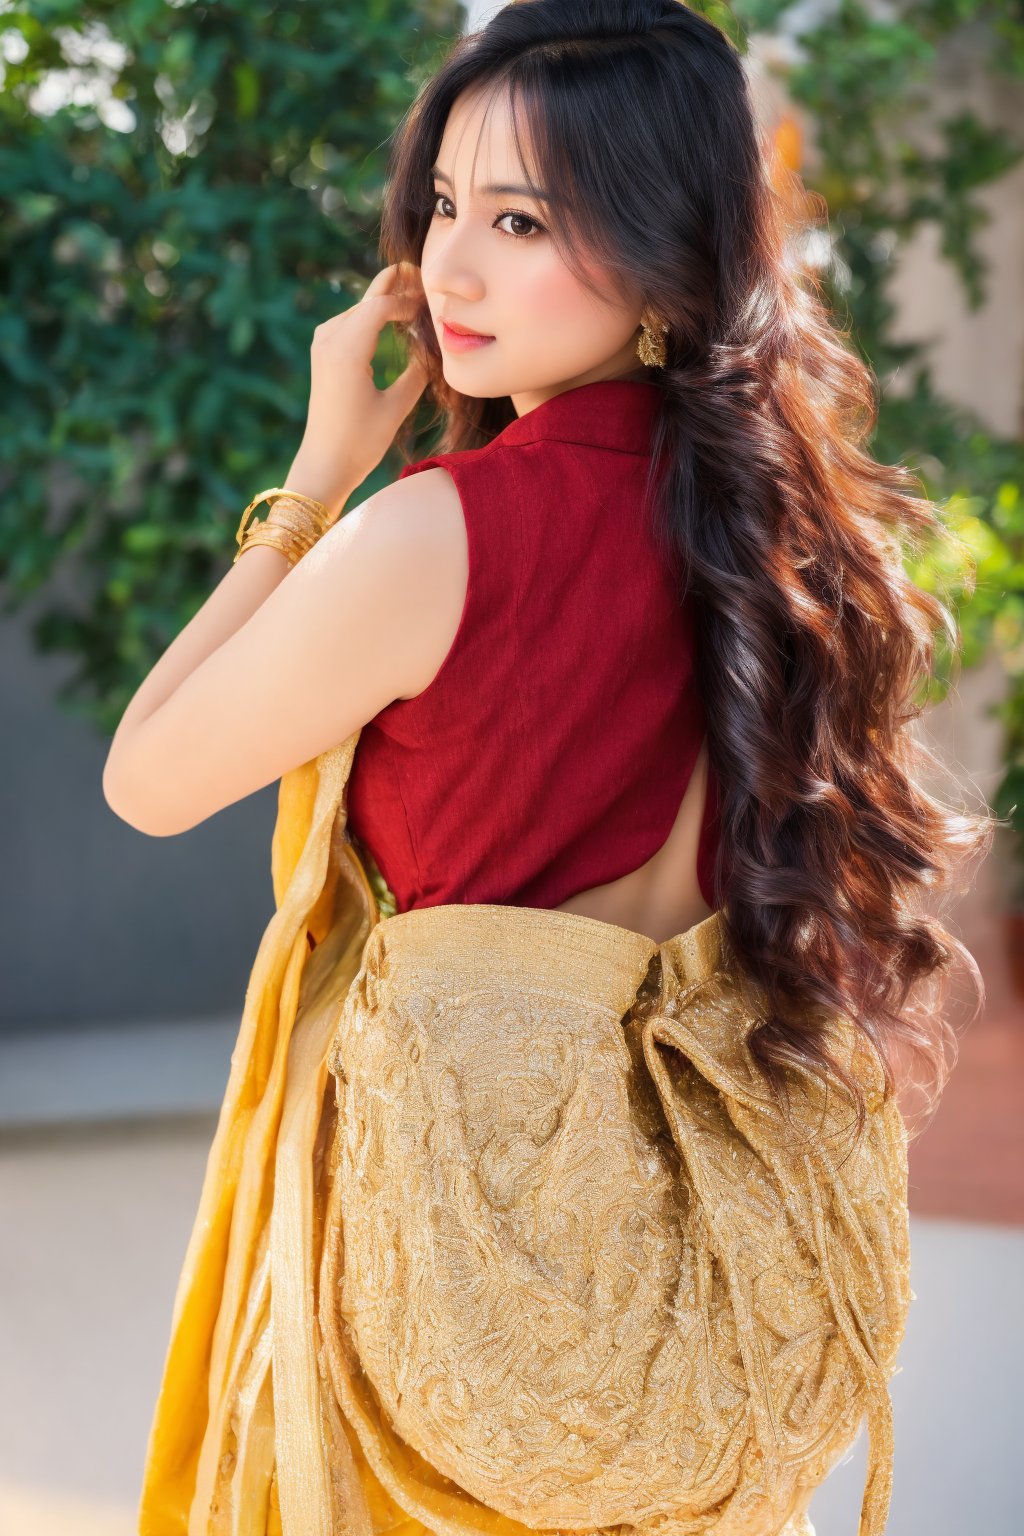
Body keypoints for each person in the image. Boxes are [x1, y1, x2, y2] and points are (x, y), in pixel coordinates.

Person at [103, 3, 992, 1534]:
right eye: (444, 206)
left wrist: (315, 484)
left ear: (657, 253)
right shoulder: (782, 538)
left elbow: (149, 776)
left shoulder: (436, 535)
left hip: (466, 1289)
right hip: (704, 1293)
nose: (451, 267)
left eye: (522, 219)